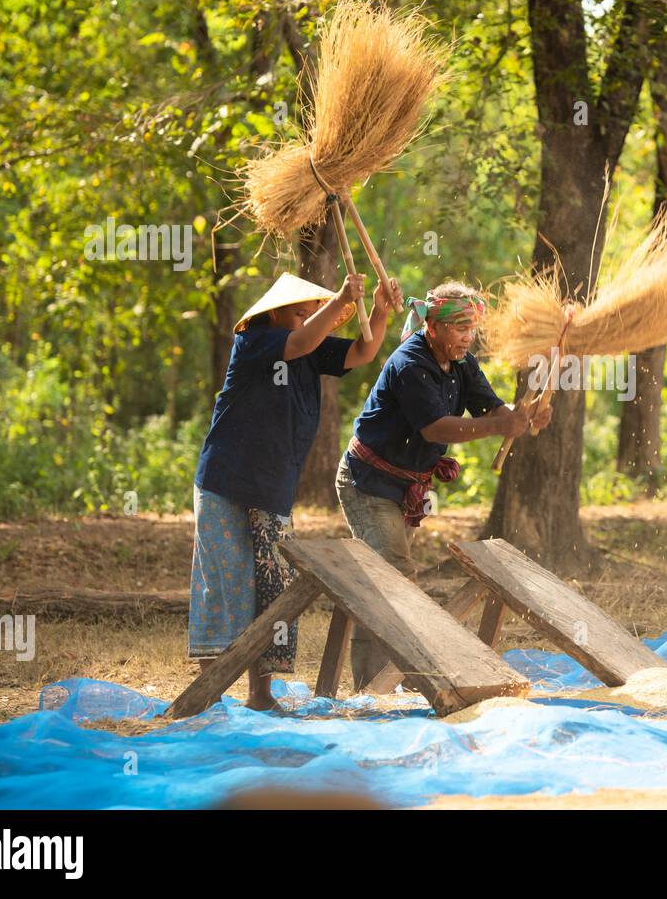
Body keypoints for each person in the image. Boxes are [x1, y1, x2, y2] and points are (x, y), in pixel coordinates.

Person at [190, 270, 398, 709]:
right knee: (224, 581)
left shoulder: (312, 349)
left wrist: (378, 312)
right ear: (274, 313)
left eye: (312, 312)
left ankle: (260, 695)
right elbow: (298, 343)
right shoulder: (256, 342)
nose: (307, 319)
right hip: (226, 480)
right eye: (300, 312)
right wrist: (341, 296)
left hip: (273, 485)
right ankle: (206, 696)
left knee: (274, 589)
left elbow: (363, 351)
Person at [336, 281, 551, 689]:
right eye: (458, 328)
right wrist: (498, 425)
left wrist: (522, 416)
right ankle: (380, 687)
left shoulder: (463, 361)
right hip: (369, 481)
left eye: (471, 328)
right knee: (391, 577)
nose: (467, 336)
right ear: (431, 327)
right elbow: (436, 430)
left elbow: (490, 406)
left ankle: (391, 680)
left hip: (405, 486)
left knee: (384, 579)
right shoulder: (410, 364)